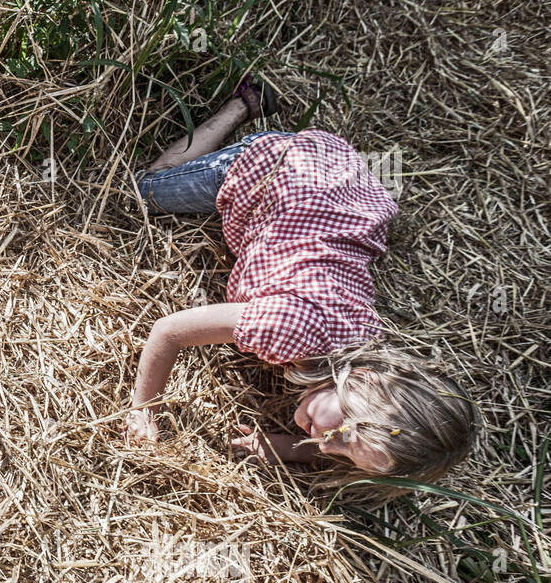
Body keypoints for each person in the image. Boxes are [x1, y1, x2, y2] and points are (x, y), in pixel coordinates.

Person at [123, 77, 475, 482]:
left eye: (345, 455)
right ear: (365, 380)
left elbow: (338, 440)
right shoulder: (288, 328)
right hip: (279, 170)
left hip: (341, 187)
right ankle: (244, 104)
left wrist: (285, 447)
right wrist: (143, 410)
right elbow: (168, 332)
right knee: (143, 191)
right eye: (344, 437)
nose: (325, 446)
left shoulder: (368, 353)